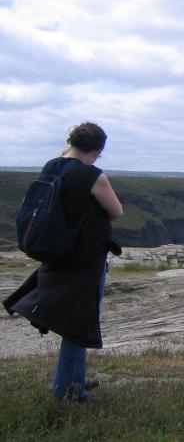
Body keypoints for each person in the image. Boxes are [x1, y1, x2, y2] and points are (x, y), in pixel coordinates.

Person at [3, 122, 123, 403]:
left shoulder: (52, 167)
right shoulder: (92, 175)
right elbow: (116, 210)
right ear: (96, 150)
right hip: (85, 257)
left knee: (74, 320)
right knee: (79, 324)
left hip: (59, 250)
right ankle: (68, 391)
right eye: (99, 153)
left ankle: (73, 380)